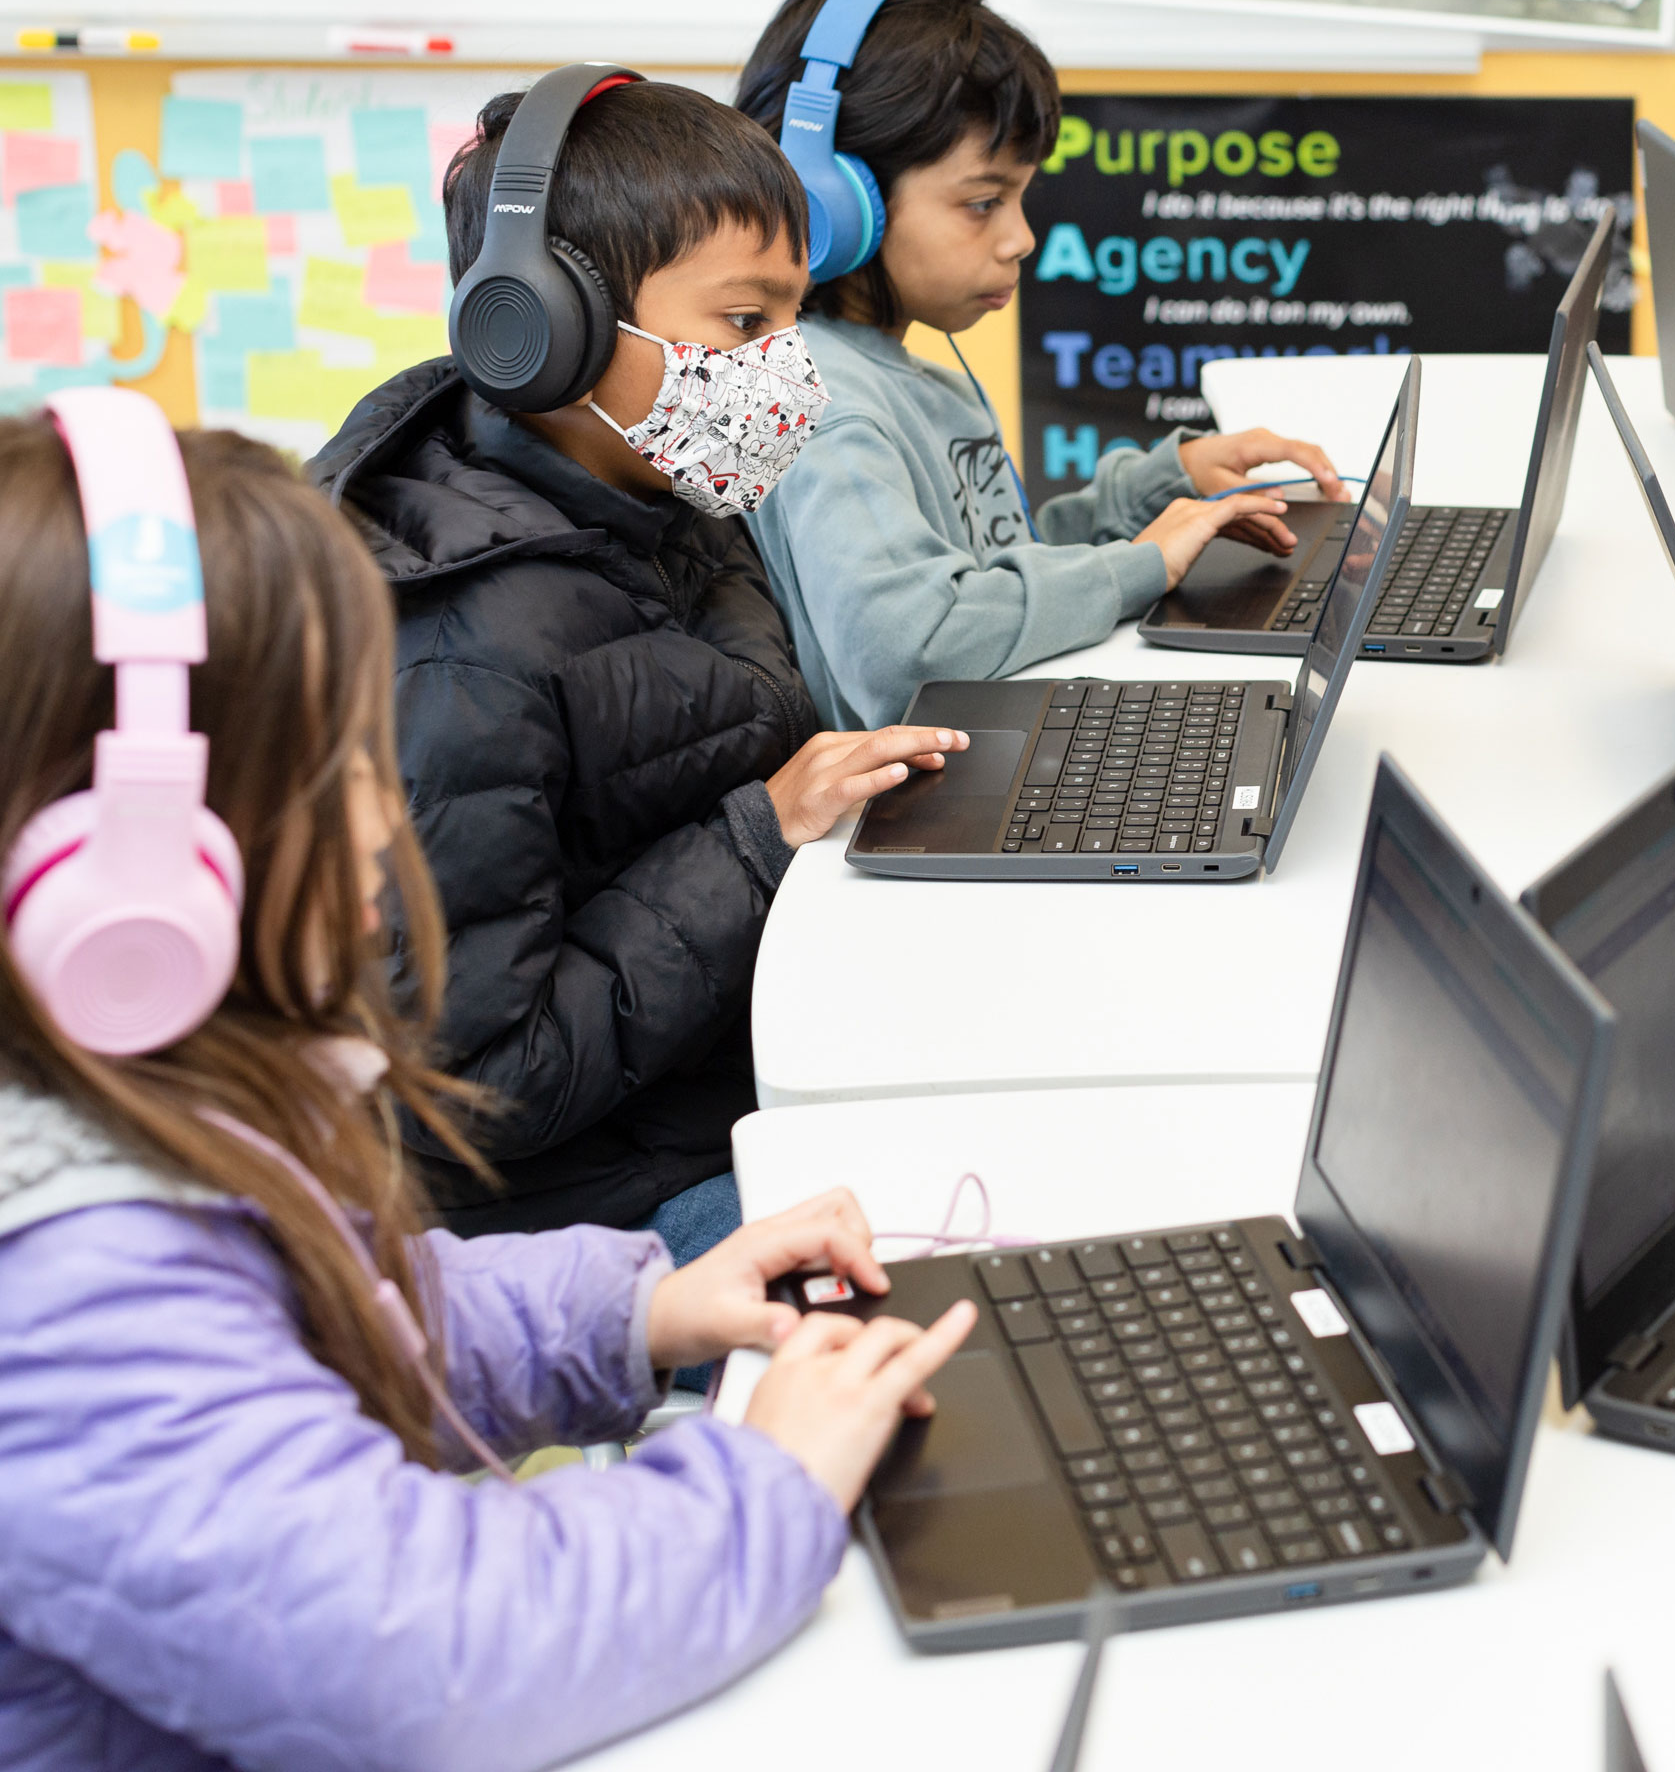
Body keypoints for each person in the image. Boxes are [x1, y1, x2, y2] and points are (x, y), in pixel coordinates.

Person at [0, 398, 976, 1770]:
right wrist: (773, 1478)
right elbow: (437, 1654)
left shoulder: (129, 1098)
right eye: (339, 769)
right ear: (133, 873)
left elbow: (337, 1312)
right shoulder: (71, 1286)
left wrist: (638, 1312)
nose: (389, 814)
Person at [313, 76, 959, 1246]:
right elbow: (486, 1085)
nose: (785, 375)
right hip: (586, 1206)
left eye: (791, 322)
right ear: (542, 327)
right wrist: (759, 834)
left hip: (728, 1069)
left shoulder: (662, 499)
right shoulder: (462, 655)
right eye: (745, 324)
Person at [732, 0, 1348, 731]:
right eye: (983, 203)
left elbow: (987, 579)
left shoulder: (909, 381)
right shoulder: (824, 408)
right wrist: (1141, 564)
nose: (1021, 239)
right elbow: (912, 651)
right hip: (900, 811)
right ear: (830, 199)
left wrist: (1159, 491)